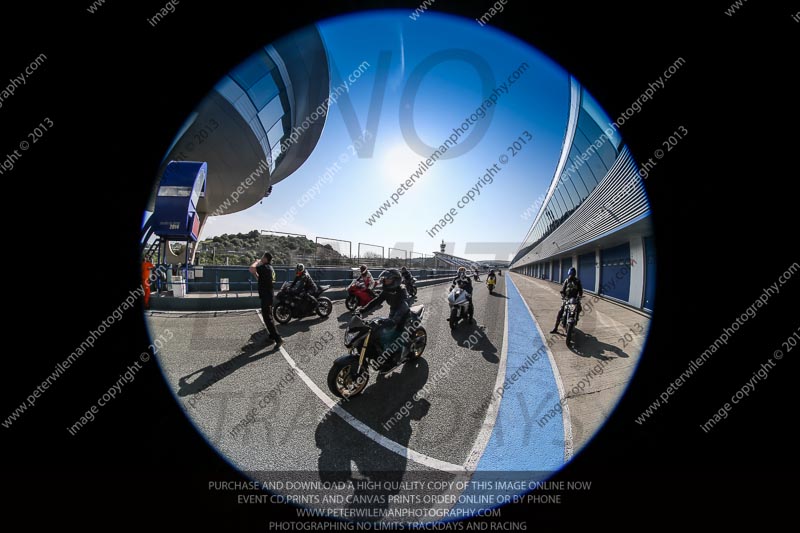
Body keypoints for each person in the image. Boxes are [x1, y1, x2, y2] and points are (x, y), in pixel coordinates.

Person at [357, 269, 412, 363]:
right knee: (383, 332)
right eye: (384, 279)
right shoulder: (386, 290)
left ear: (396, 280)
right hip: (393, 312)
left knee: (399, 335)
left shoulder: (402, 290)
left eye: (388, 279)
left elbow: (403, 305)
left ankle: (403, 353)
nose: (385, 281)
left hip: (403, 314)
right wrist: (362, 310)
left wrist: (394, 320)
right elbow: (376, 301)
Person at [249, 252, 283, 347]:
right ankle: (272, 336)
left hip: (266, 296)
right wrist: (255, 274)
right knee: (268, 317)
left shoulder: (265, 267)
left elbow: (251, 269)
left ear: (266, 259)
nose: (261, 258)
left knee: (268, 319)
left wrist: (256, 262)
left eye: (262, 257)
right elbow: (261, 279)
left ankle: (278, 339)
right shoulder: (269, 268)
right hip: (268, 295)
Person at [550, 267, 583, 334]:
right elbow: (563, 290)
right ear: (569, 274)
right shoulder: (566, 281)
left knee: (579, 308)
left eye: (572, 274)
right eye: (570, 274)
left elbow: (580, 291)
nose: (571, 275)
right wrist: (563, 295)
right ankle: (555, 328)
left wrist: (580, 296)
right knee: (560, 312)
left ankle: (576, 318)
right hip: (567, 299)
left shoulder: (577, 281)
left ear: (574, 274)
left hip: (574, 300)